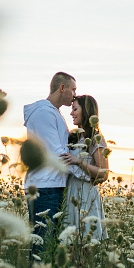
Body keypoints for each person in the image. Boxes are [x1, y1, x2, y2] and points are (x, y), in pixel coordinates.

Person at [22, 71, 77, 252]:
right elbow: (58, 154)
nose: (75, 95)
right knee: (42, 246)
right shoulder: (43, 113)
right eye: (73, 90)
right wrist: (86, 169)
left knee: (50, 246)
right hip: (45, 187)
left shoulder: (53, 113)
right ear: (62, 88)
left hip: (52, 185)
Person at [60, 95, 109, 241]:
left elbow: (103, 174)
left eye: (75, 109)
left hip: (86, 195)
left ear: (86, 111)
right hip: (70, 193)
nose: (71, 113)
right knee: (69, 244)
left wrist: (78, 162)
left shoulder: (95, 137)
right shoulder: (73, 137)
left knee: (86, 244)